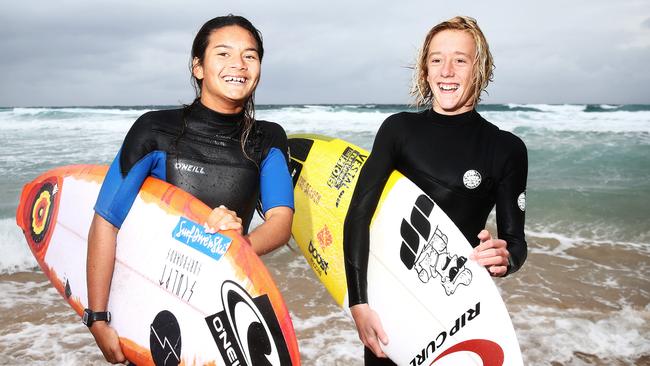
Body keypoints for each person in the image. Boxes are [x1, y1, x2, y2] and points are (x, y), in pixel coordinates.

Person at [85, 15, 294, 363]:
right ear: (198, 67)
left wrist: (236, 247)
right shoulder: (154, 130)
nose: (238, 65)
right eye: (223, 54)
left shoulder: (267, 139)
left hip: (222, 303)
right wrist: (98, 317)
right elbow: (106, 219)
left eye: (250, 56)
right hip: (152, 299)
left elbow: (280, 221)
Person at [343, 16, 528, 365]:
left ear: (480, 69)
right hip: (391, 310)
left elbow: (515, 243)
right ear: (424, 71)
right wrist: (359, 304)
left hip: (456, 309)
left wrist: (505, 258)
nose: (446, 71)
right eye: (435, 59)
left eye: (460, 60)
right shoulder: (398, 130)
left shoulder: (506, 149)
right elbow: (358, 216)